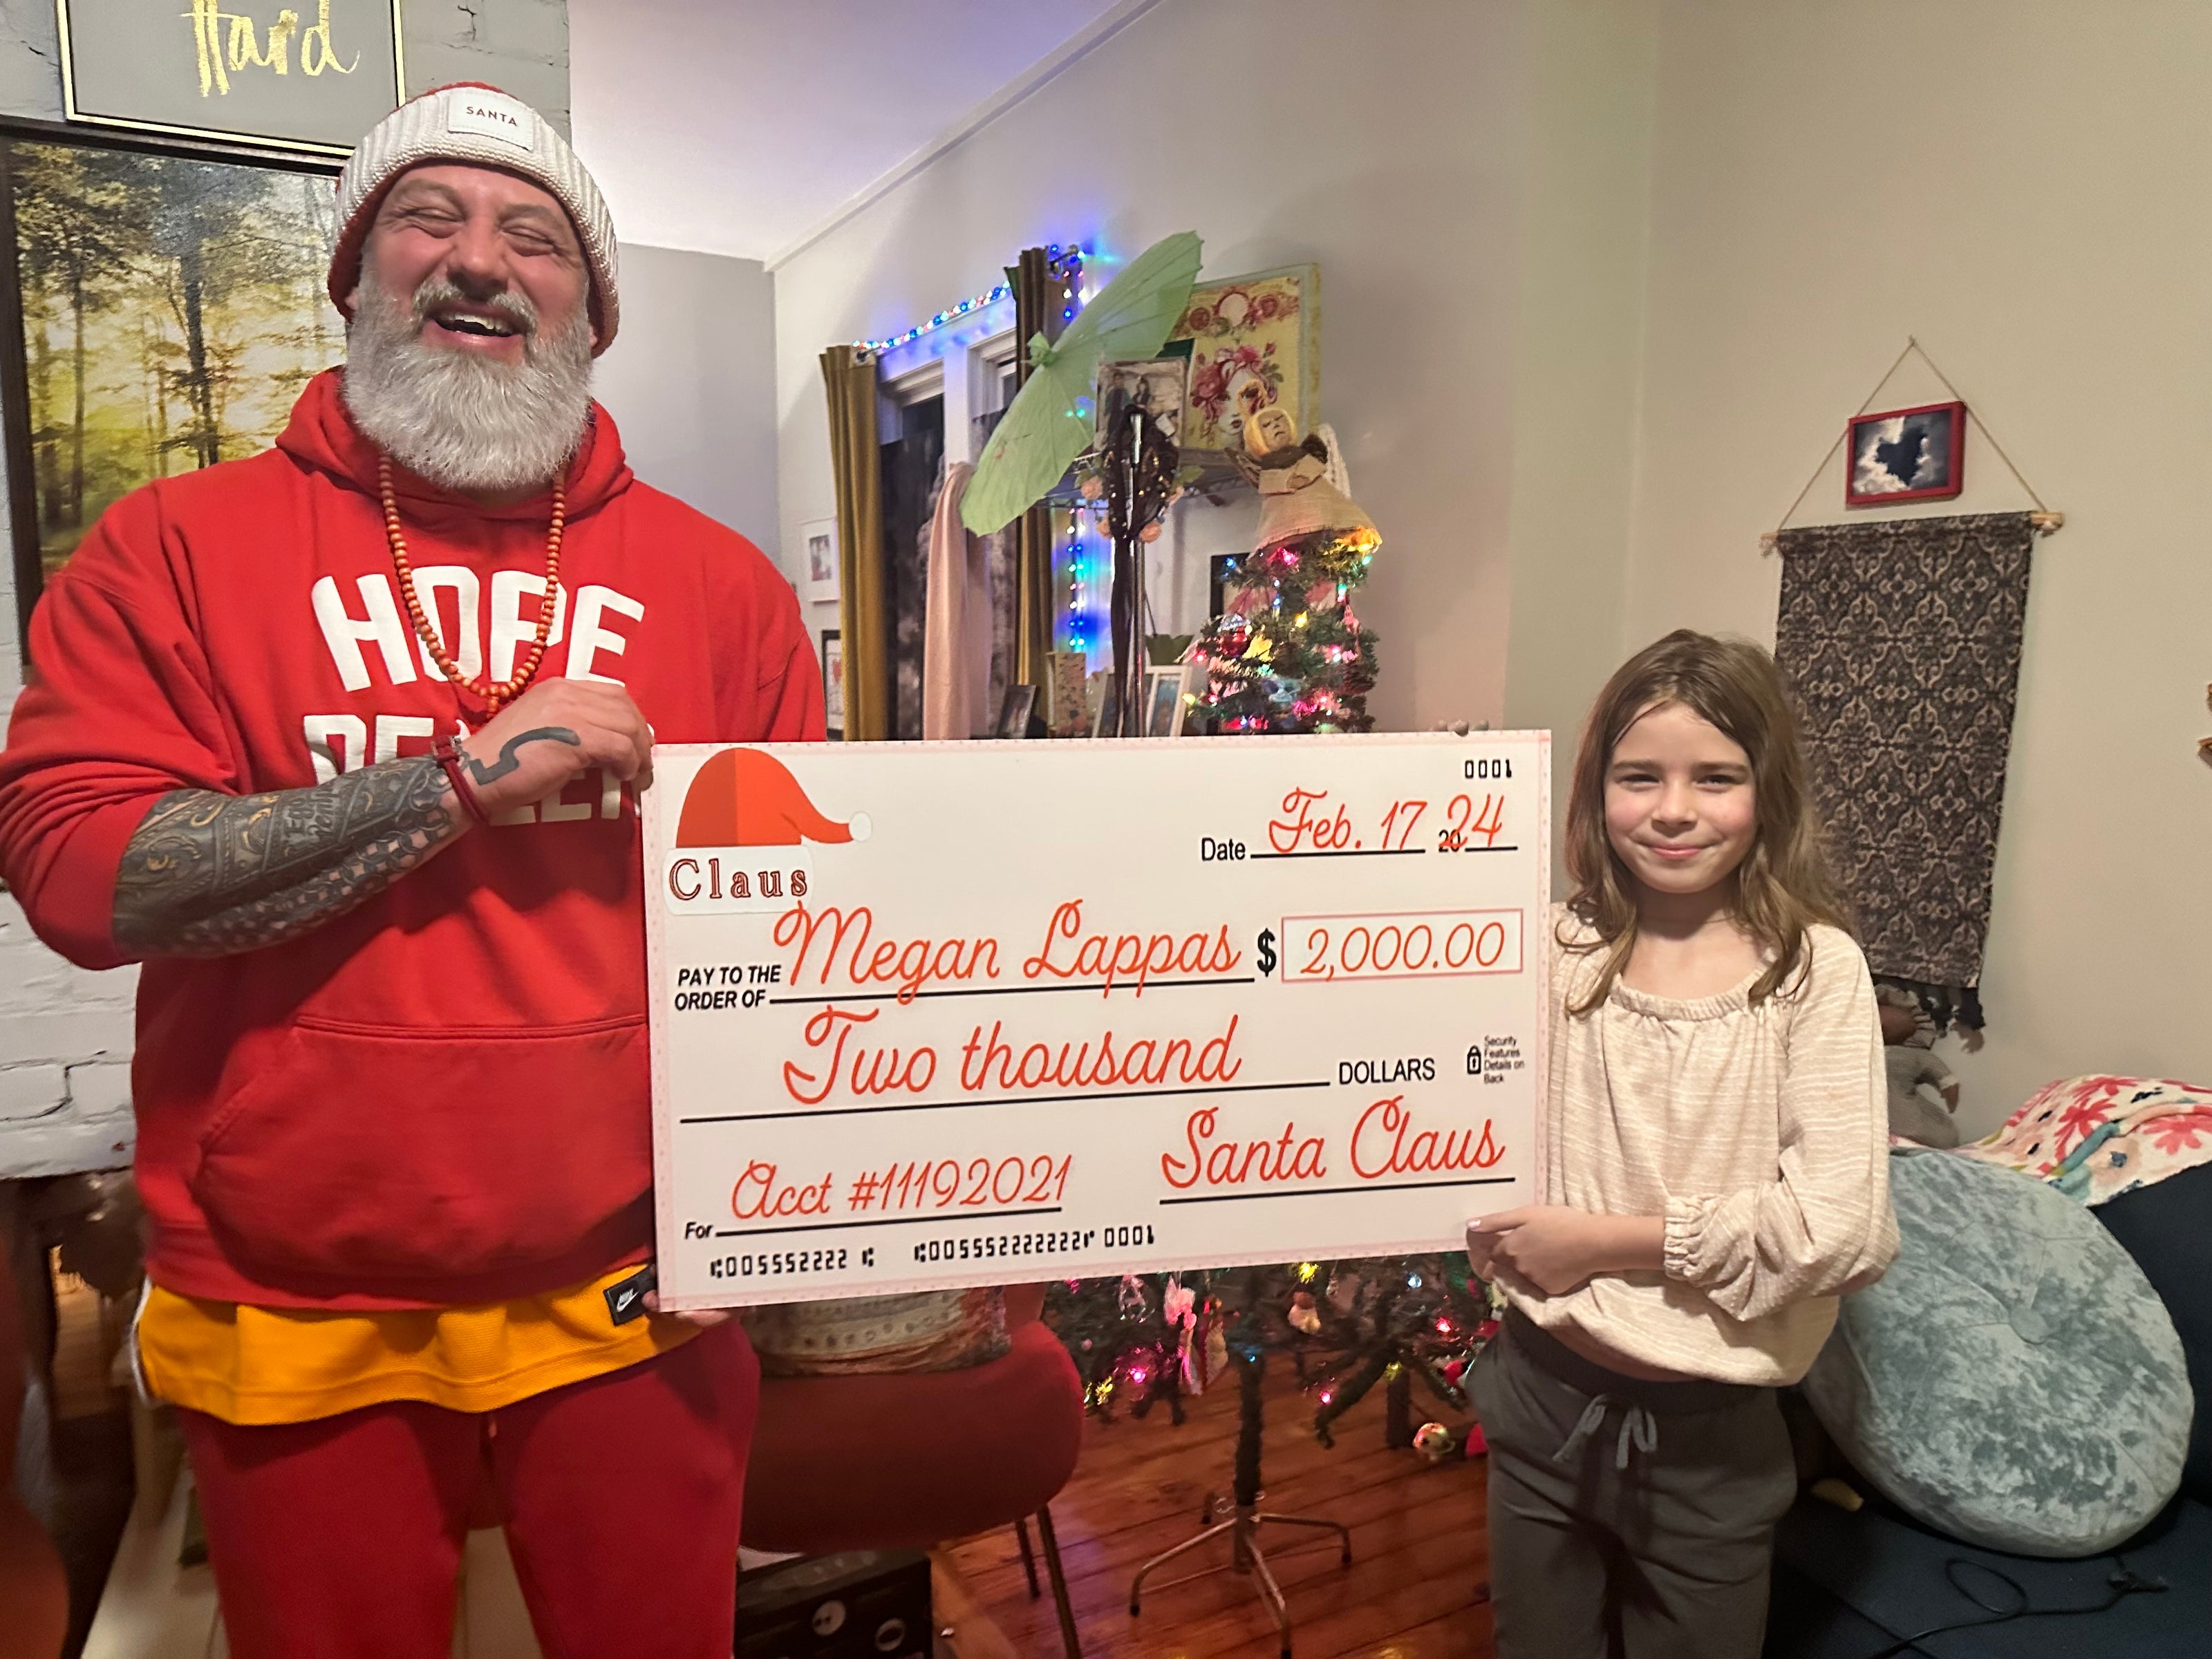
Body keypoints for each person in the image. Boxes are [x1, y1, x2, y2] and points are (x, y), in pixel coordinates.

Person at [0, 84, 819, 1658]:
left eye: (534, 236)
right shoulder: (173, 545)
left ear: (592, 307)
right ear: (357, 279)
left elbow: (797, 940)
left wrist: (767, 1213)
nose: (478, 263)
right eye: (425, 221)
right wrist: (454, 784)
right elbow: (77, 874)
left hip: (643, 1280)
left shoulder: (722, 584)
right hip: (294, 1287)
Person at [1464, 630, 1897, 1659]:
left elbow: (1843, 1231)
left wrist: (1608, 1244)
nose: (1671, 810)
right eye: (1637, 777)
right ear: (1594, 789)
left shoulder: (1813, 972)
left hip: (1713, 1440)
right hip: (1537, 1399)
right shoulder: (1546, 950)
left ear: (1768, 791)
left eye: (1715, 778)